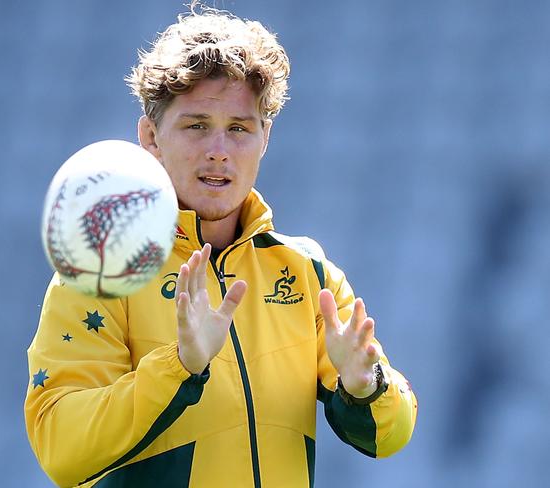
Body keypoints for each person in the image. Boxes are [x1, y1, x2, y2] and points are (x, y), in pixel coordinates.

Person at [25, 5, 417, 487]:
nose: (219, 150)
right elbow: (61, 450)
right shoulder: (100, 271)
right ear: (150, 137)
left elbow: (388, 436)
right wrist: (179, 367)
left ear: (265, 136)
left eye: (238, 127)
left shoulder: (306, 272)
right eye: (196, 125)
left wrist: (365, 386)